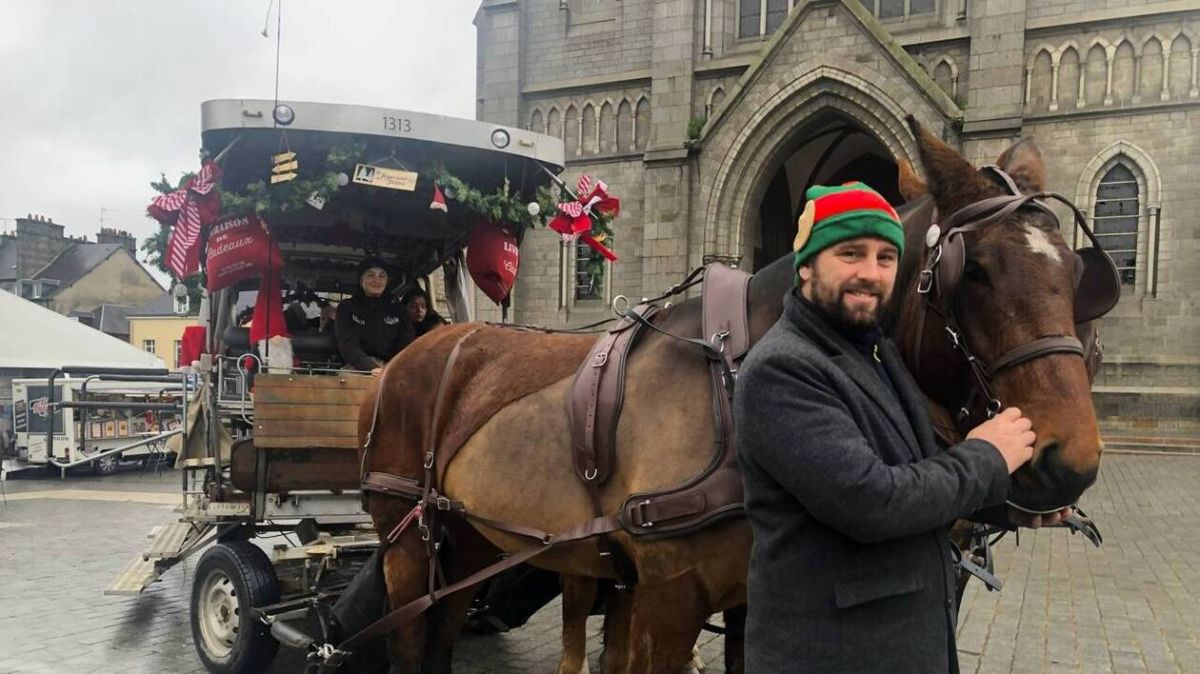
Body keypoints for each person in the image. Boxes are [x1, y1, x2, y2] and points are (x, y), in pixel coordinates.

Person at [734, 183, 1069, 673]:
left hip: (900, 647)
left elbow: (917, 472)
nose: (870, 273)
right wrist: (986, 458)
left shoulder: (877, 352)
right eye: (851, 253)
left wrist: (1009, 504)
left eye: (886, 257)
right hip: (834, 655)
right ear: (805, 264)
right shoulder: (783, 368)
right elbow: (873, 502)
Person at [335, 257, 415, 376]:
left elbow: (407, 344)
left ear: (387, 281)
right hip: (358, 367)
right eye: (370, 275)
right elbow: (348, 345)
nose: (377, 280)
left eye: (382, 276)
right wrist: (371, 368)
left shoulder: (399, 310)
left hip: (393, 365)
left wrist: (391, 367)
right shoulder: (347, 308)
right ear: (361, 279)